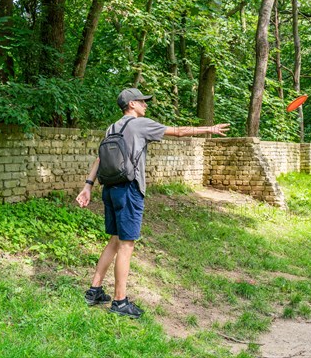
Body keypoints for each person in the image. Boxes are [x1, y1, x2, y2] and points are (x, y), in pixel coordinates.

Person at [76, 87, 229, 318]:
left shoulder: (112, 127)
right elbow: (177, 132)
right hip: (129, 189)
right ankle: (120, 301)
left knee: (114, 241)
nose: (145, 105)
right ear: (132, 105)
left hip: (109, 190)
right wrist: (210, 128)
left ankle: (94, 290)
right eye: (142, 101)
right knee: (126, 245)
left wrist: (88, 186)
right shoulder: (139, 124)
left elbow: (100, 158)